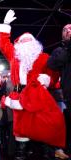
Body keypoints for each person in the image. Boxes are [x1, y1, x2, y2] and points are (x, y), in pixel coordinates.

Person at [0, 9, 66, 159]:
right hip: (19, 97)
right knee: (21, 133)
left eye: (30, 41)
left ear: (35, 44)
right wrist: (5, 26)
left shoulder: (43, 57)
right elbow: (4, 45)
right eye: (23, 41)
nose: (26, 44)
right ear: (18, 45)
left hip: (37, 98)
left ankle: (45, 153)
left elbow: (53, 74)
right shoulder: (14, 56)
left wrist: (48, 79)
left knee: (41, 131)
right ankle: (21, 154)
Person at [47, 23, 71, 158]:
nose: (68, 31)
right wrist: (67, 46)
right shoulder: (60, 51)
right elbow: (52, 64)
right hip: (68, 94)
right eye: (65, 30)